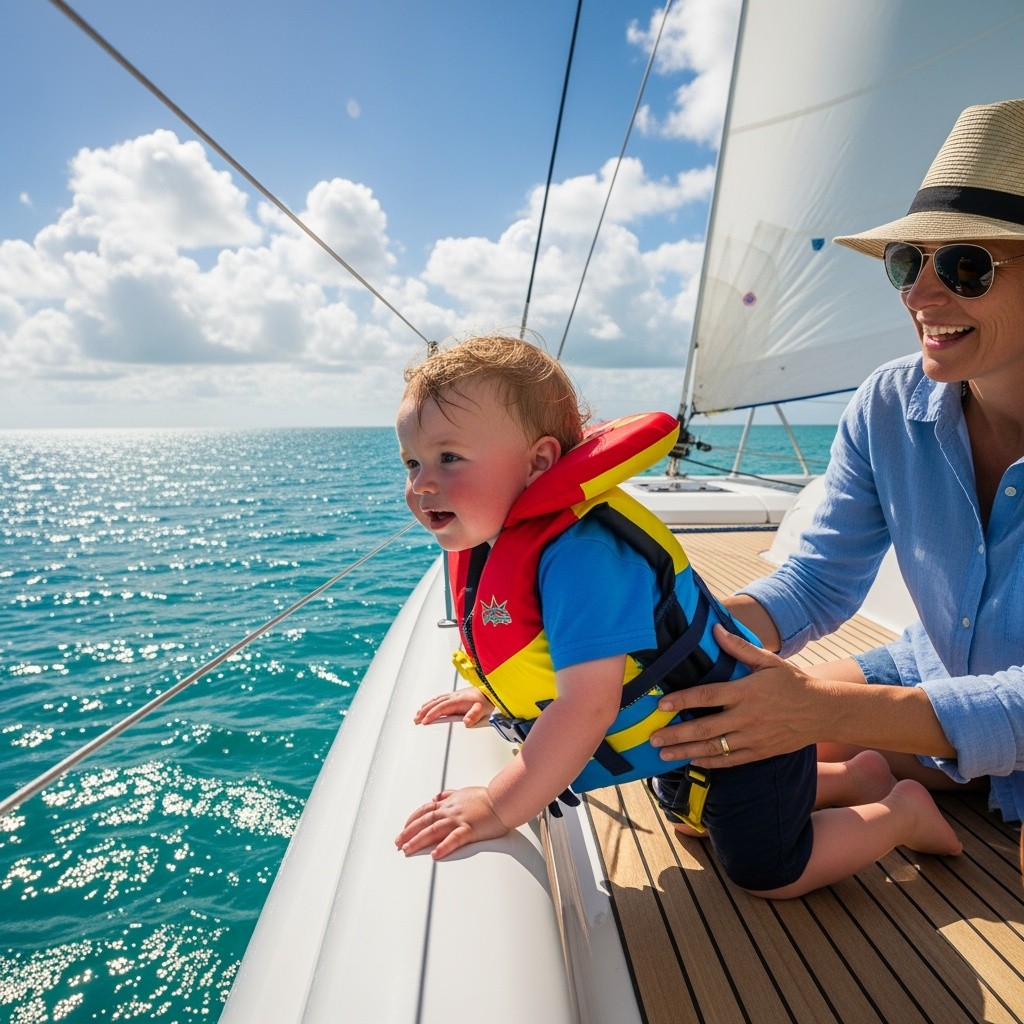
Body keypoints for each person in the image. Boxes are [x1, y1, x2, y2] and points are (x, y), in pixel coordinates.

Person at [393, 334, 960, 898]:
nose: (422, 485)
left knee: (767, 871)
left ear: (540, 461)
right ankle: (857, 777)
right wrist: (496, 694)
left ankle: (899, 813)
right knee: (691, 817)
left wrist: (498, 804)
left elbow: (586, 708)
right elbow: (543, 655)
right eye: (412, 462)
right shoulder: (509, 541)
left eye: (450, 458)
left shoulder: (581, 558)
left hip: (745, 725)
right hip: (685, 725)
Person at [649, 100, 1024, 851]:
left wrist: (820, 710)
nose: (919, 295)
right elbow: (815, 583)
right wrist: (659, 653)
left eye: (964, 266)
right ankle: (887, 789)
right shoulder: (888, 404)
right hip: (934, 673)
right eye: (906, 263)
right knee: (702, 764)